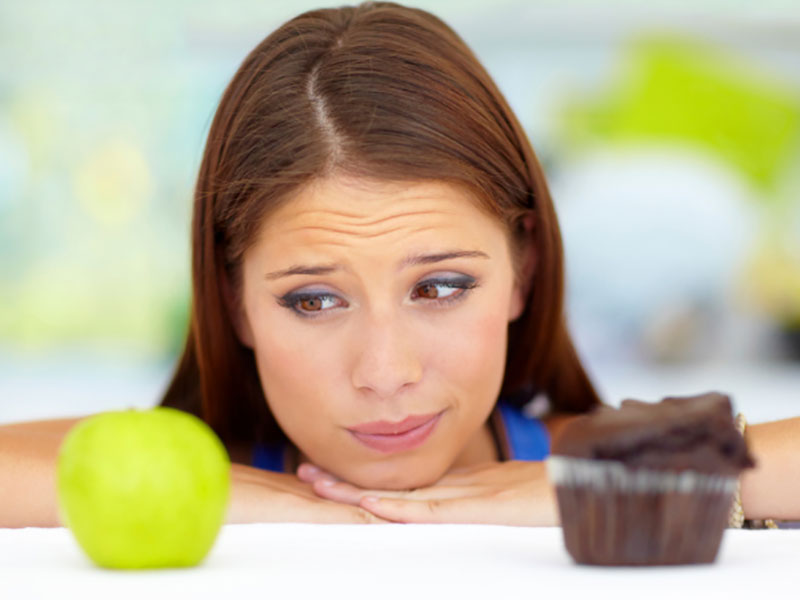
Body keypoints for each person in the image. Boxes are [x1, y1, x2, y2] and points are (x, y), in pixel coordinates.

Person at [2, 1, 798, 529]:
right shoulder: (198, 473)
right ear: (233, 298)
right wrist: (227, 499)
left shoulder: (589, 462)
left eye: (441, 286)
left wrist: (622, 482)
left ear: (522, 270)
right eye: (314, 300)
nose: (385, 373)